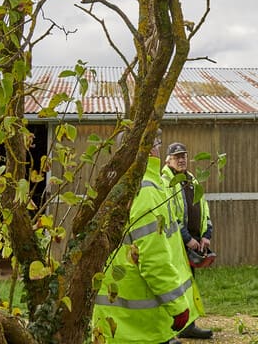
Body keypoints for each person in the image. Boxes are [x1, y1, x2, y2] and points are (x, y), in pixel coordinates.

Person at [92, 131, 198, 344]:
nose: (159, 149)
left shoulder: (122, 183)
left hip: (119, 317)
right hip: (140, 323)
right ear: (148, 150)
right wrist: (177, 306)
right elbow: (152, 258)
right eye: (157, 143)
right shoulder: (146, 190)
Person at [162, 142, 214, 340]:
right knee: (174, 286)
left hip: (195, 243)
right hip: (176, 244)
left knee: (189, 286)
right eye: (176, 157)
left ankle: (188, 325)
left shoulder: (192, 179)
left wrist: (206, 235)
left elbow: (204, 208)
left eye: (183, 156)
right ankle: (170, 329)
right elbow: (170, 215)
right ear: (168, 160)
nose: (181, 159)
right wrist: (187, 239)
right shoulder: (165, 181)